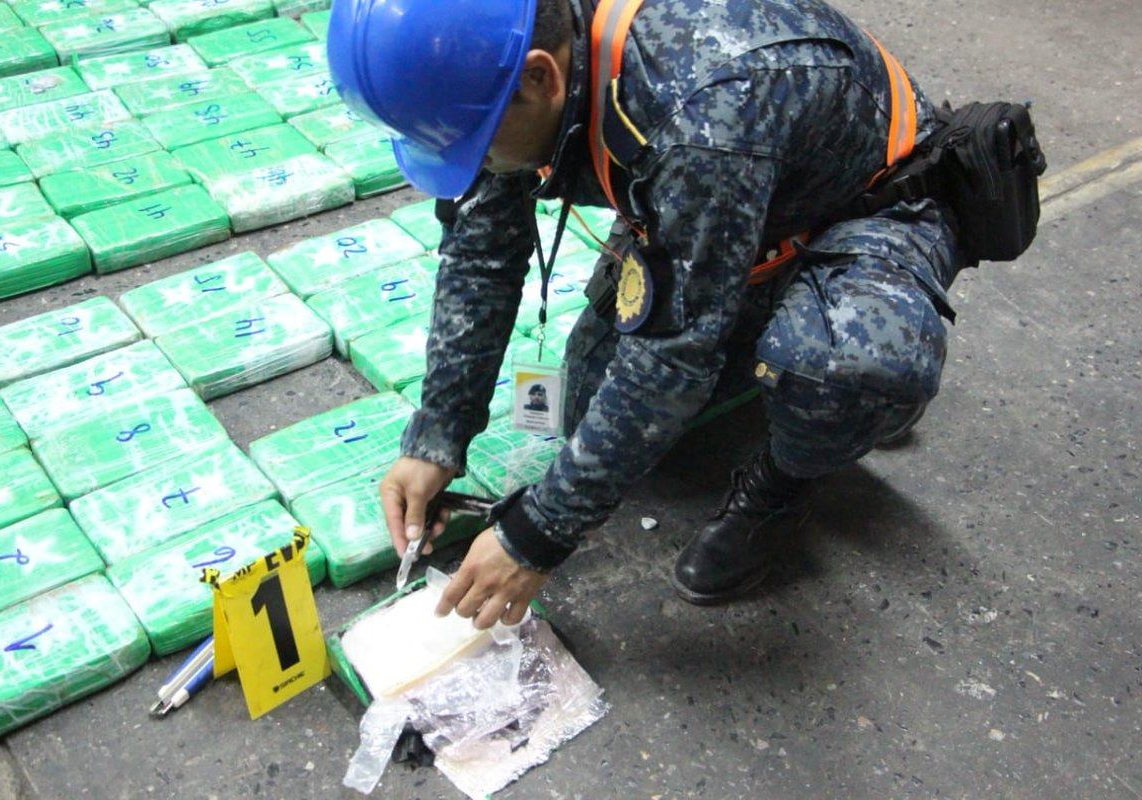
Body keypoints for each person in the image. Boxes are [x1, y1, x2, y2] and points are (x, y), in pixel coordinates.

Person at [331, 0, 970, 629]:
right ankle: (767, 331)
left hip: (870, 206)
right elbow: (482, 254)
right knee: (587, 411)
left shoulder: (699, 114)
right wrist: (439, 434)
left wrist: (537, 535)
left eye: (475, 146)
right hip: (740, 199)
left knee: (832, 368)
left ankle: (803, 459)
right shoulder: (507, 53)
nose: (476, 165)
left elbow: (671, 359)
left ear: (540, 78)